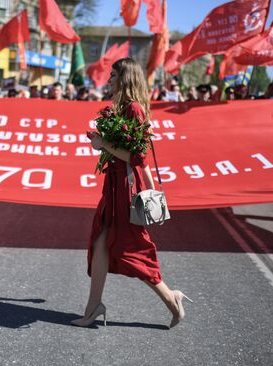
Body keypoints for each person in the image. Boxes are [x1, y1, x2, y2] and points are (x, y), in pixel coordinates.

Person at [72, 58, 192, 328]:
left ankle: (172, 298)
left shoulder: (134, 109)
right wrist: (102, 145)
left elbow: (137, 158)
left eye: (114, 75)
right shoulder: (122, 107)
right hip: (115, 185)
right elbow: (137, 160)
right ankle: (93, 307)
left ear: (126, 78)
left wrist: (103, 143)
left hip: (125, 187)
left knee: (132, 250)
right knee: (100, 242)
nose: (109, 79)